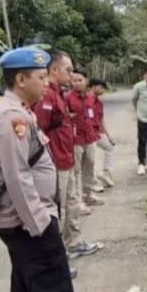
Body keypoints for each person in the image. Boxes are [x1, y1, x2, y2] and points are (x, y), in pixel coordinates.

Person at [0, 47, 82, 292]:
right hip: (29, 224)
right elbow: (17, 177)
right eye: (41, 77)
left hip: (21, 223)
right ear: (20, 79)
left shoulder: (16, 112)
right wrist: (40, 225)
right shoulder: (11, 117)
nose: (46, 83)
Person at [33, 50, 99, 262]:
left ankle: (74, 242)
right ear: (54, 70)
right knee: (57, 209)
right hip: (56, 161)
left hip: (67, 157)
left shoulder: (59, 93)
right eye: (68, 70)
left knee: (70, 202)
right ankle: (58, 255)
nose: (72, 75)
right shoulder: (47, 95)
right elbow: (39, 130)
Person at [67, 69, 105, 207]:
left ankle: (88, 195)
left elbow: (94, 116)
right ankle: (78, 202)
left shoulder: (90, 98)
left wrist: (96, 132)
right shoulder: (68, 98)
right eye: (74, 80)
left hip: (90, 139)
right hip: (76, 140)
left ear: (86, 81)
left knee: (89, 167)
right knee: (76, 171)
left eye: (80, 80)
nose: (76, 83)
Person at [89, 78, 116, 188]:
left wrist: (108, 135)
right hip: (88, 133)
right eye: (101, 88)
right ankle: (92, 181)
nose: (103, 90)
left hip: (98, 132)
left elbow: (101, 119)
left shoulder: (99, 102)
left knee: (109, 147)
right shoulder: (87, 100)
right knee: (90, 158)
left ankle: (105, 172)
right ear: (94, 86)